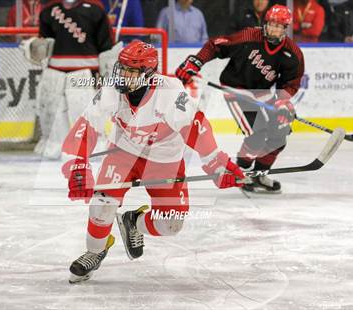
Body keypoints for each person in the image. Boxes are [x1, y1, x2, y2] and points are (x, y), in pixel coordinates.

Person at [60, 40, 245, 283]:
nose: (123, 77)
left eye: (131, 72)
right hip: (122, 154)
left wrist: (215, 162)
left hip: (164, 160)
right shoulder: (112, 91)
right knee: (102, 203)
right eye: (122, 69)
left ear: (148, 74)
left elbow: (196, 128)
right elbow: (86, 127)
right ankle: (95, 251)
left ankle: (133, 222)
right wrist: (77, 165)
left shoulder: (171, 93)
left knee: (170, 224)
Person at [176, 4, 305, 194]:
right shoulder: (248, 37)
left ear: (285, 28)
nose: (274, 28)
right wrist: (196, 61)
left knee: (280, 131)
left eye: (279, 26)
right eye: (271, 24)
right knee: (257, 133)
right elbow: (215, 45)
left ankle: (259, 175)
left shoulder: (292, 54)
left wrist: (283, 102)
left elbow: (290, 83)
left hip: (262, 91)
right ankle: (243, 172)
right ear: (265, 23)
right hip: (236, 88)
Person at [26, 0, 114, 159]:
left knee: (87, 113)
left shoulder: (95, 10)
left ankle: (91, 147)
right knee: (53, 114)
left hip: (86, 73)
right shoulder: (48, 11)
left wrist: (105, 73)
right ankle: (54, 146)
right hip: (55, 74)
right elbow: (45, 45)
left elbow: (106, 46)